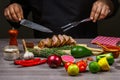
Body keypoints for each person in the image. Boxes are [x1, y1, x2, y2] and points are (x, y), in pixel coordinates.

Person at [4, 0, 118, 38]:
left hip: (86, 46)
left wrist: (106, 3)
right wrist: (13, 9)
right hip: (43, 48)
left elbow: (112, 3)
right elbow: (18, 6)